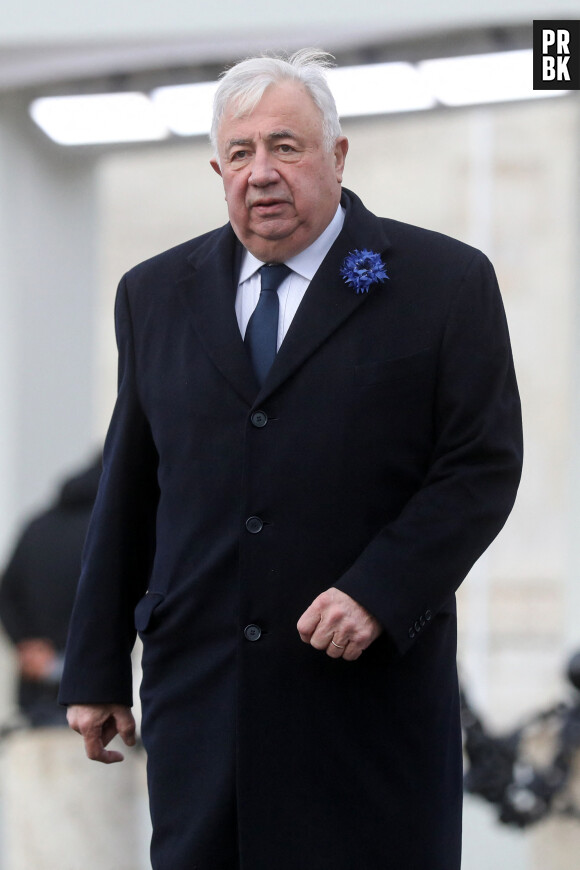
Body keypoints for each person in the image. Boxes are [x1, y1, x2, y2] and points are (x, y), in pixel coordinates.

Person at [60, 49, 523, 869]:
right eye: (240, 154)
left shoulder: (443, 284)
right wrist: (96, 665)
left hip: (362, 708)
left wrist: (379, 591)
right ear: (217, 169)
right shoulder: (155, 294)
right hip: (202, 704)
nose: (262, 173)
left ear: (337, 156)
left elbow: (480, 464)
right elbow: (130, 487)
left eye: (287, 146)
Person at [0, 457, 101, 727]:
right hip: (95, 685)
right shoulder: (106, 529)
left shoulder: (36, 525)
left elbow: (7, 592)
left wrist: (25, 642)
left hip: (37, 680)